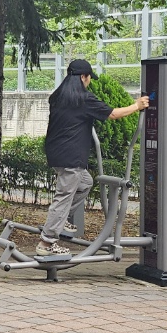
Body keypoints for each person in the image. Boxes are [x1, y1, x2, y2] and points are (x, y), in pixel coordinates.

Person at [37, 59, 150, 257]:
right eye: (89, 78)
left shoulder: (59, 96)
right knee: (63, 197)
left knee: (85, 183)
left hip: (57, 152)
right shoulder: (83, 98)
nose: (89, 81)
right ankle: (46, 243)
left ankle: (59, 221)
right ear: (83, 77)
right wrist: (137, 105)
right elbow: (113, 114)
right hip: (71, 157)